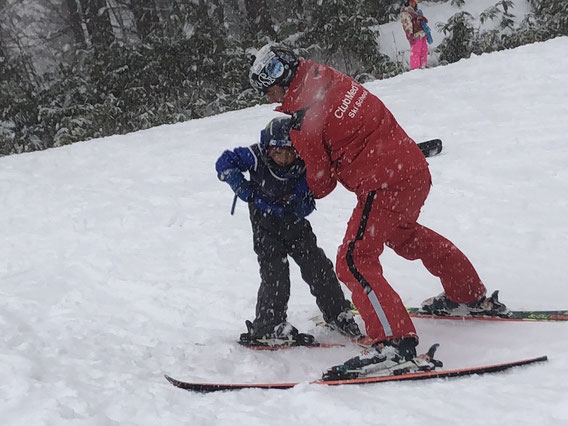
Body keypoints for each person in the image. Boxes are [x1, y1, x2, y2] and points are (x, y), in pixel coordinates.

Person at [248, 44, 509, 377]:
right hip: (411, 169)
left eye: (268, 81)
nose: (267, 91)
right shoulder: (326, 76)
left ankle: (394, 342)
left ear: (282, 74)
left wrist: (289, 183)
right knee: (404, 235)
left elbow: (322, 183)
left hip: (384, 183)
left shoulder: (302, 117)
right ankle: (467, 293)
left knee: (354, 259)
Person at [215, 116, 362, 347]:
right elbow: (224, 163)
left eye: (290, 152)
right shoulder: (254, 156)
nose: (284, 158)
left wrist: (303, 200)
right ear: (267, 147)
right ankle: (268, 325)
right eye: (278, 151)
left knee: (318, 267)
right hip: (265, 226)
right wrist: (242, 187)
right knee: (275, 275)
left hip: (295, 223)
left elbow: (316, 186)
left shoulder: (305, 162)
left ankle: (338, 312)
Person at [400, 0, 432, 70]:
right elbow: (407, 25)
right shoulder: (406, 13)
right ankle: (415, 68)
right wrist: (410, 35)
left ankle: (423, 65)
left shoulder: (417, 11)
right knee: (416, 52)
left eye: (415, 2)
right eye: (411, 2)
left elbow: (422, 24)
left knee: (424, 50)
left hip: (422, 34)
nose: (413, 4)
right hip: (415, 36)